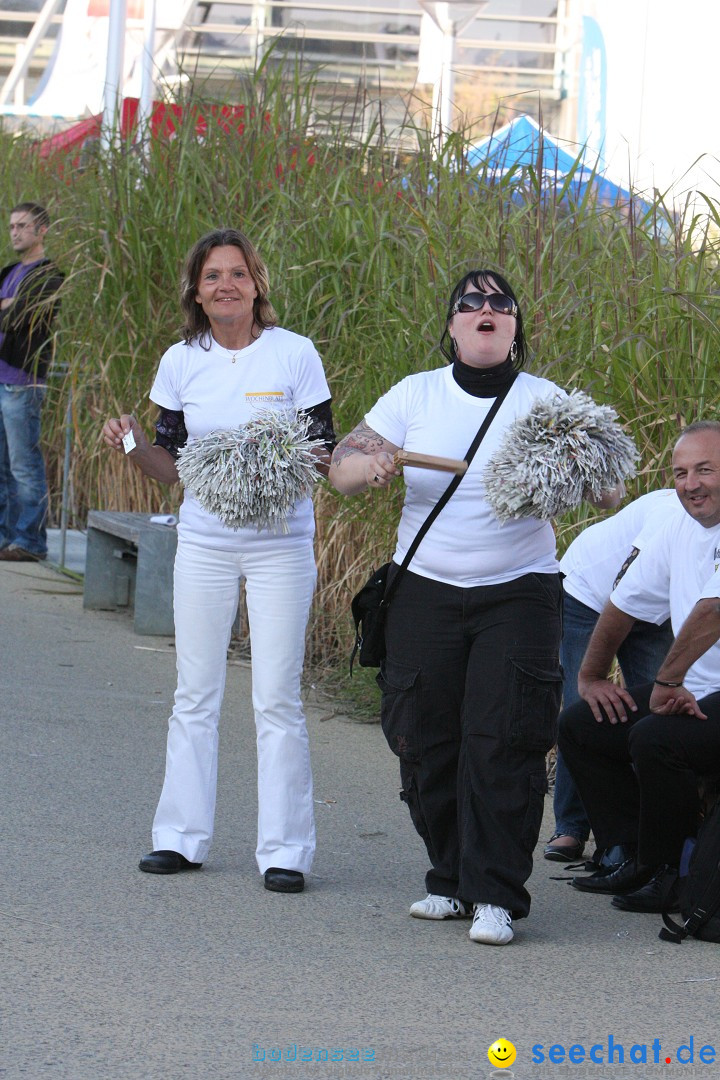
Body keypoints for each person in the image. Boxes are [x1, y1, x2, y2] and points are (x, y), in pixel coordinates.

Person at [329, 268, 621, 945]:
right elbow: (343, 465)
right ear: (453, 325)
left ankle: (495, 895)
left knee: (505, 743)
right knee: (425, 743)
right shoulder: (414, 394)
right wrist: (367, 467)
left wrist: (582, 473)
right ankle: (451, 880)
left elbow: (607, 489)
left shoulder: (547, 402)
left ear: (515, 326)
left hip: (517, 592)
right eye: (471, 303)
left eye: (500, 303)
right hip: (424, 589)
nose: (485, 311)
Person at [102, 228, 335, 893]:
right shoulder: (182, 360)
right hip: (204, 543)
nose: (225, 285)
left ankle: (285, 851)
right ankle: (179, 839)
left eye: (237, 273)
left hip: (281, 546)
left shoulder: (295, 354)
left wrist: (270, 462)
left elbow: (322, 447)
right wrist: (131, 444)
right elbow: (169, 467)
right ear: (197, 293)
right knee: (195, 693)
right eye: (212, 277)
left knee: (276, 698)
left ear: (258, 284)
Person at [558, 421, 720, 914]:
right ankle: (628, 852)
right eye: (680, 473)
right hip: (696, 689)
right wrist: (589, 679)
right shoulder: (676, 522)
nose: (691, 483)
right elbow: (622, 604)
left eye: (705, 470)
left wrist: (666, 683)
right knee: (583, 723)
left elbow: (712, 611)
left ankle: (672, 870)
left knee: (656, 736)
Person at [544, 490, 680, 863]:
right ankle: (571, 827)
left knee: (658, 713)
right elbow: (624, 594)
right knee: (584, 708)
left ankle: (641, 831)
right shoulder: (673, 515)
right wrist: (594, 677)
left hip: (655, 612)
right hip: (591, 595)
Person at [0, 202, 64, 562]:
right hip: (1, 379)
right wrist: (8, 305)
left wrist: (12, 307)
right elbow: (11, 313)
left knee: (23, 465)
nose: (15, 232)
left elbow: (21, 319)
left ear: (42, 231)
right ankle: (7, 538)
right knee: (2, 465)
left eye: (23, 226)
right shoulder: (8, 271)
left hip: (22, 381)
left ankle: (29, 542)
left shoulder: (49, 275)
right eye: (12, 226)